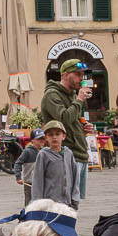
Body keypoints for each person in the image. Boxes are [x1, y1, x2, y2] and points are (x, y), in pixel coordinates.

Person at [40, 64, 90, 205]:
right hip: (66, 155)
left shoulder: (72, 95)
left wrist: (82, 127)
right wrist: (79, 100)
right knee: (64, 201)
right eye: (78, 74)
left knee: (75, 201)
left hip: (80, 153)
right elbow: (63, 119)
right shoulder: (52, 95)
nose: (82, 78)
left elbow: (70, 123)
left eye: (83, 75)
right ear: (65, 75)